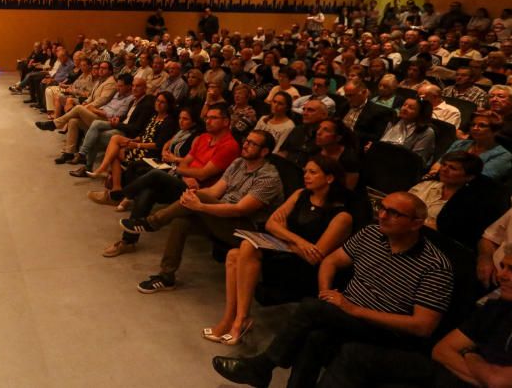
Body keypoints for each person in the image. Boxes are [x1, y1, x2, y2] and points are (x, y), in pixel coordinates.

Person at [212, 192, 454, 388]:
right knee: (315, 336)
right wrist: (326, 291)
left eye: (394, 213)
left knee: (312, 311)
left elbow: (423, 326)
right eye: (381, 208)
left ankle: (262, 367)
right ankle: (266, 372)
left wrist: (354, 309)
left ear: (416, 223)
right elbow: (331, 261)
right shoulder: (371, 234)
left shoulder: (435, 265)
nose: (382, 216)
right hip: (348, 314)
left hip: (386, 329)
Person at [204, 156, 353, 346]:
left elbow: (314, 256)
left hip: (301, 268)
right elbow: (271, 224)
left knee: (245, 249)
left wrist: (285, 234)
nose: (306, 176)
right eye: (305, 171)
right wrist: (296, 240)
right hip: (285, 251)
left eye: (313, 172)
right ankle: (234, 319)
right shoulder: (300, 194)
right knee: (235, 254)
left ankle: (239, 320)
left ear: (330, 178)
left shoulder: (342, 216)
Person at [317, 249, 512, 387]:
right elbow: (441, 350)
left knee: (312, 312)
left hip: (458, 375)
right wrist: (484, 372)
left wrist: (470, 354)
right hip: (449, 372)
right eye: (503, 267)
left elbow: (498, 381)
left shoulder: (435, 265)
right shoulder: (496, 308)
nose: (501, 275)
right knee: (352, 354)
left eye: (511, 269)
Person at [121, 130, 284, 291]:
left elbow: (239, 209)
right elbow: (214, 192)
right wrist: (190, 196)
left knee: (197, 198)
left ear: (264, 152)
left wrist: (200, 205)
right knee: (181, 220)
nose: (246, 145)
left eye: (252, 143)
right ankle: (166, 276)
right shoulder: (238, 163)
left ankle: (152, 222)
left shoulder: (269, 177)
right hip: (220, 216)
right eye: (246, 141)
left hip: (246, 230)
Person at [410, 151, 509, 249]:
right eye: (444, 165)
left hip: (431, 244)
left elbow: (448, 232)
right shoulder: (427, 184)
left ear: (469, 177)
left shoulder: (469, 202)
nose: (444, 169)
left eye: (452, 168)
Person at [429, 110, 512, 186]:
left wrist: (441, 174)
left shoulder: (504, 155)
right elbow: (438, 165)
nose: (475, 128)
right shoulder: (460, 144)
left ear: (495, 131)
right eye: (473, 125)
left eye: (482, 125)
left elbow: (477, 181)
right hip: (439, 184)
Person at [380, 97, 437, 165]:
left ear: (421, 113)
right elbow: (381, 142)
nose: (404, 109)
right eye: (404, 105)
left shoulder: (427, 132)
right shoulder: (393, 122)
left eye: (411, 108)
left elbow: (417, 160)